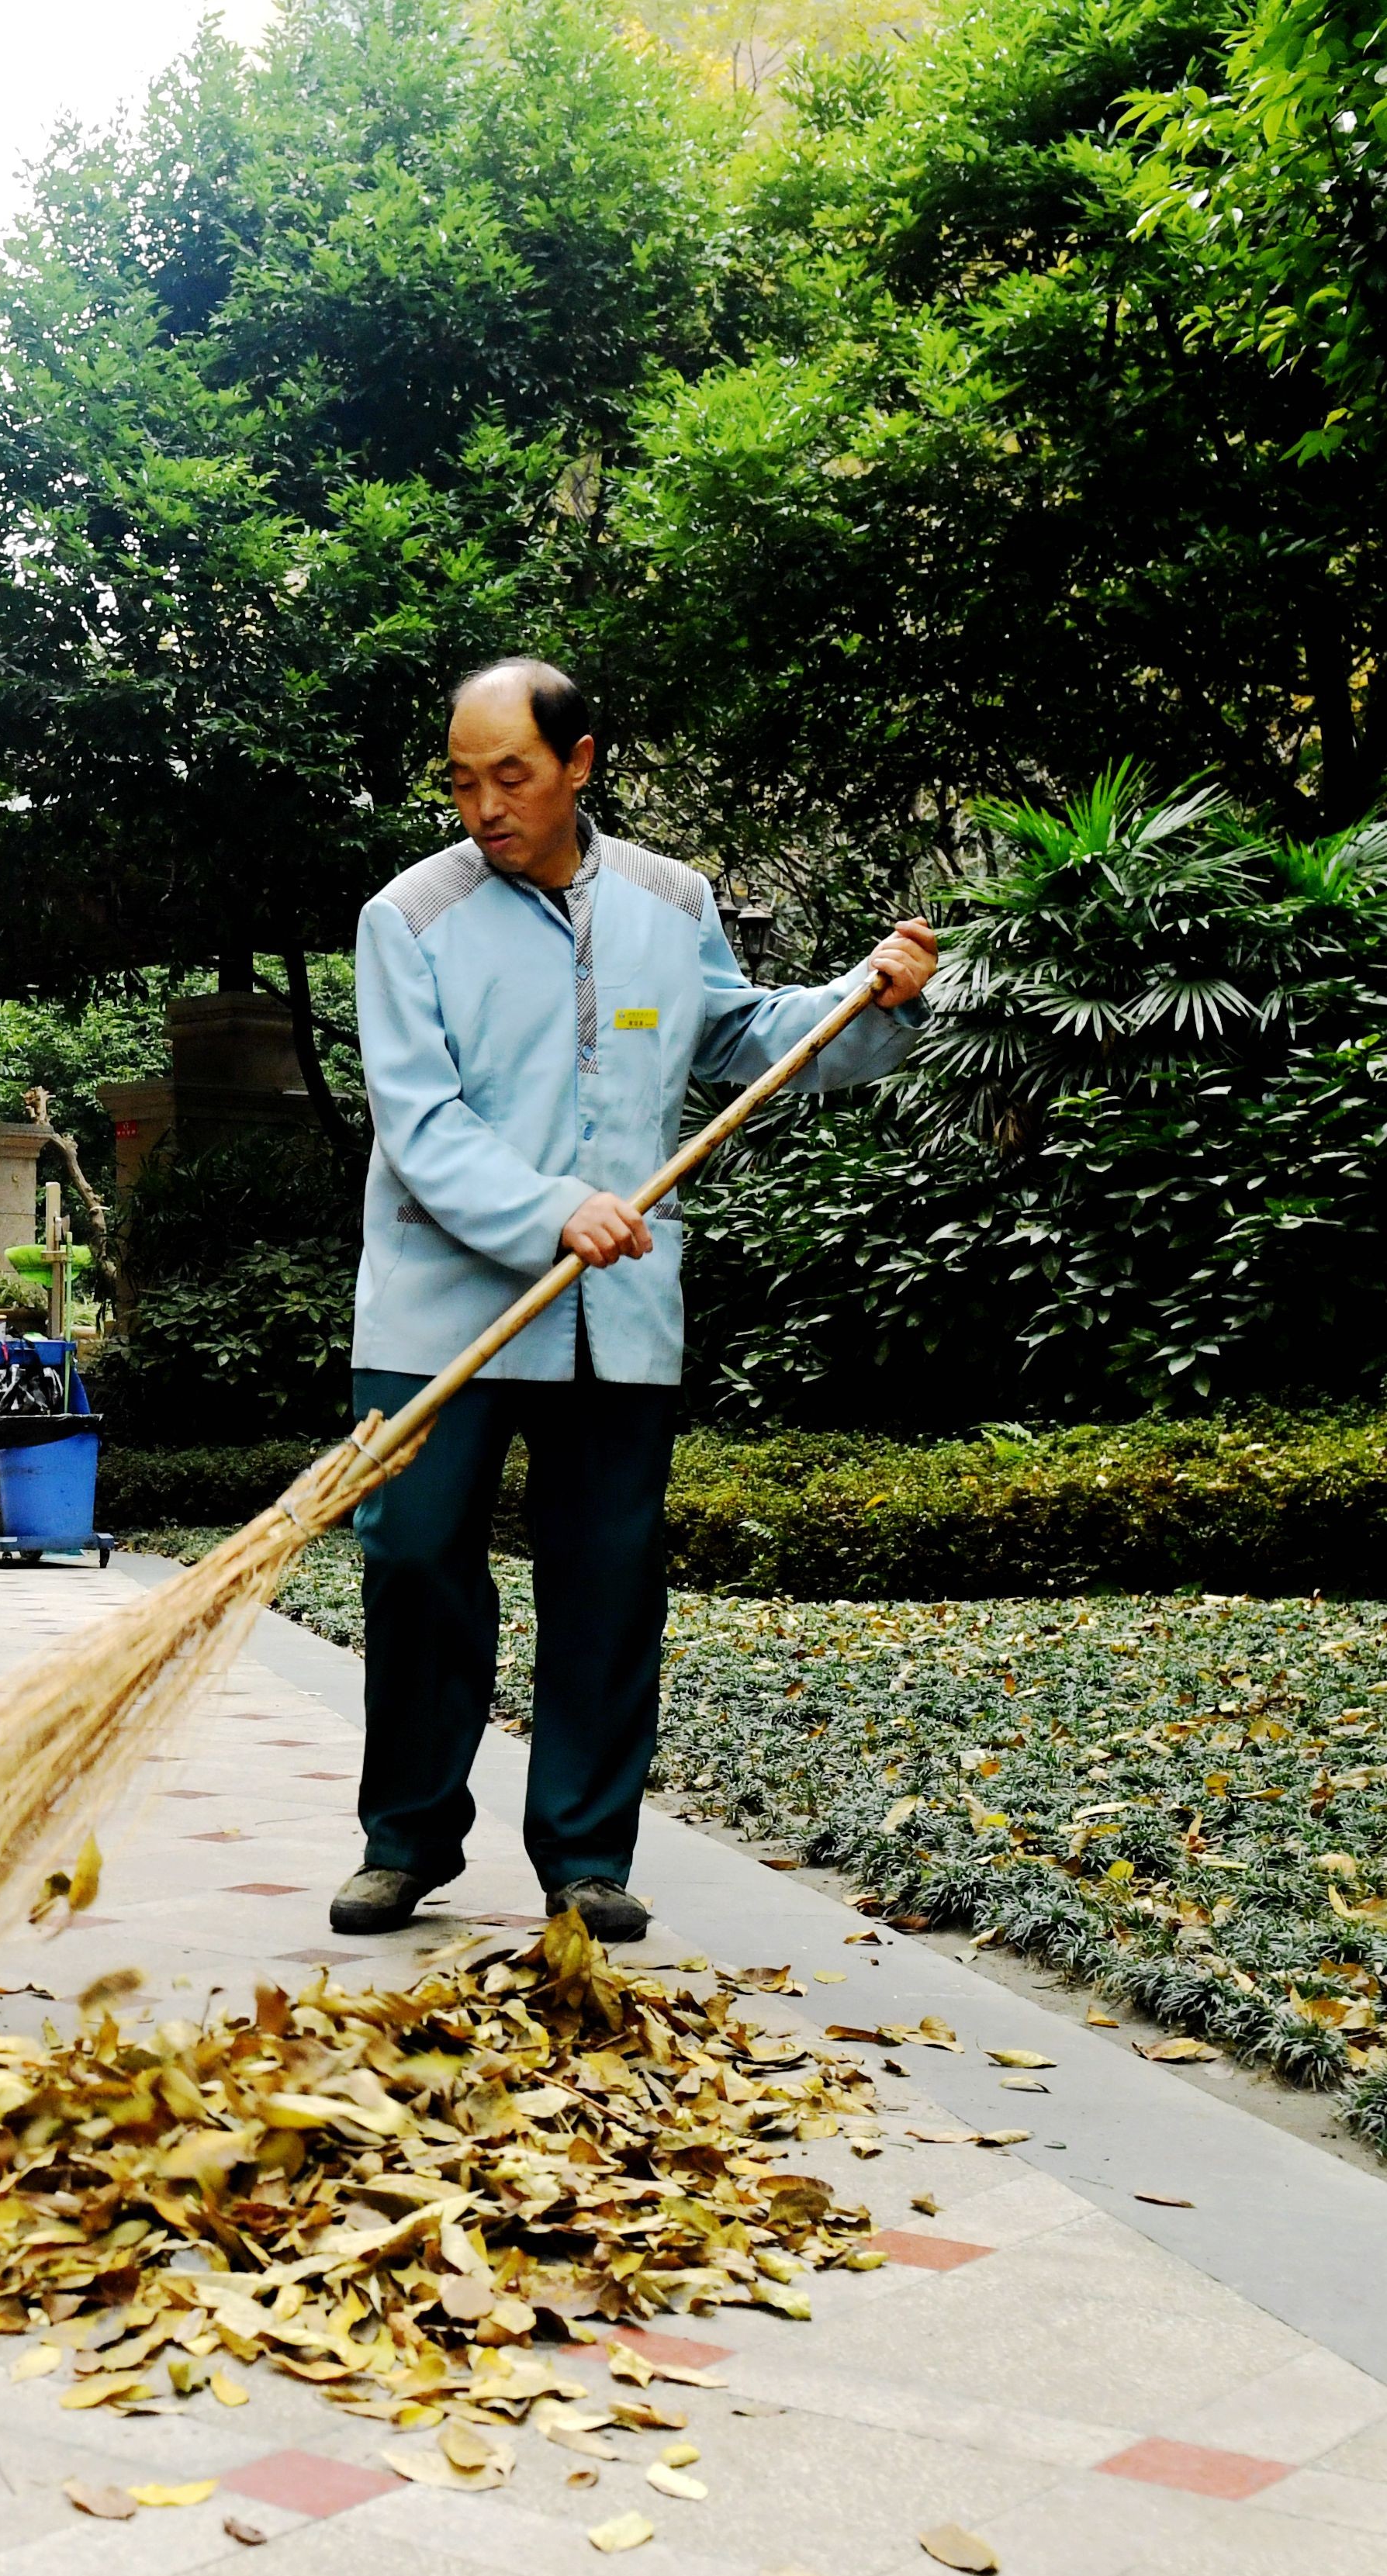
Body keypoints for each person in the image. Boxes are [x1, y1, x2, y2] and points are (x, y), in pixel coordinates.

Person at [330, 657, 937, 1940]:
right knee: (416, 1563)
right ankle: (408, 1840)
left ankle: (589, 1859)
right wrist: (549, 1205)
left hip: (621, 1311)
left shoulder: (672, 900)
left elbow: (739, 1036)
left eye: (513, 777)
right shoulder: (408, 917)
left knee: (608, 1578)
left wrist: (864, 1004)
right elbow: (420, 1123)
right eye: (461, 781)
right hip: (441, 1307)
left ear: (580, 763)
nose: (484, 807)